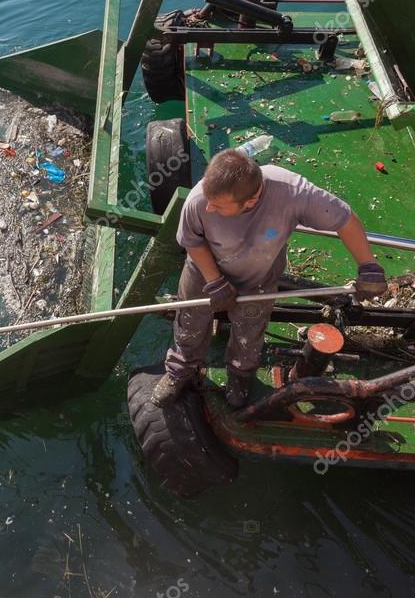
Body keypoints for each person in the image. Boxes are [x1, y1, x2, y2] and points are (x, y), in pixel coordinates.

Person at [150, 149, 387, 408]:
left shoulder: (293, 192)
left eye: (217, 206)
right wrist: (215, 281)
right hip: (203, 273)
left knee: (249, 332)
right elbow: (193, 242)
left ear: (250, 201)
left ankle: (240, 375)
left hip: (258, 278)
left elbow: (345, 219)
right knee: (190, 324)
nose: (209, 207)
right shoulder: (199, 199)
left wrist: (368, 266)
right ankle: (180, 370)